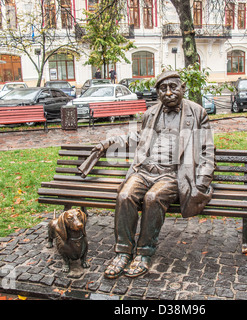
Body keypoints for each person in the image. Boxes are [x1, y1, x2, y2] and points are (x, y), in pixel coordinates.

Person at [78, 70, 215, 278]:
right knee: (125, 195)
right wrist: (109, 142)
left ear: (183, 88)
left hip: (172, 175)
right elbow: (138, 137)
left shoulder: (197, 113)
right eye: (163, 89)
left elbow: (207, 152)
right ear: (158, 93)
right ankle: (122, 252)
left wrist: (202, 183)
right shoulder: (151, 113)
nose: (168, 92)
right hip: (145, 170)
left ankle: (144, 253)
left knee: (153, 198)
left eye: (173, 87)